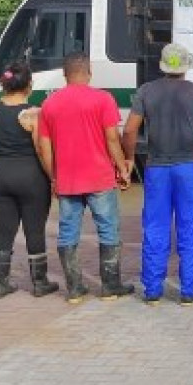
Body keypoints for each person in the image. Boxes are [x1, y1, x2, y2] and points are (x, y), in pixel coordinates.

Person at [121, 43, 193, 306]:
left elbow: (129, 131)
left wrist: (128, 159)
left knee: (155, 227)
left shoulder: (146, 91)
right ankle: (189, 291)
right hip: (189, 168)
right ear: (186, 66)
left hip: (157, 168)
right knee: (191, 228)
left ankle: (152, 290)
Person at [38, 53, 135, 304]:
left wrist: (53, 177)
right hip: (100, 176)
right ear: (89, 72)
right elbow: (112, 138)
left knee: (68, 231)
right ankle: (110, 285)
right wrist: (123, 167)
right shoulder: (103, 99)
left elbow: (44, 147)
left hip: (67, 179)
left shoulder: (50, 104)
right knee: (107, 228)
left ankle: (74, 288)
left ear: (64, 74)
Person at [0, 61, 58, 299]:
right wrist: (53, 177)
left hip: (0, 174)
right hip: (30, 176)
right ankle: (40, 282)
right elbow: (42, 150)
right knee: (34, 229)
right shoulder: (34, 113)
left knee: (4, 228)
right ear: (29, 85)